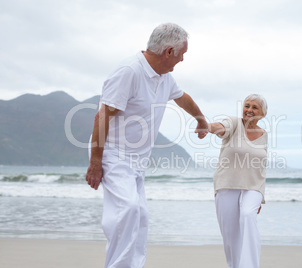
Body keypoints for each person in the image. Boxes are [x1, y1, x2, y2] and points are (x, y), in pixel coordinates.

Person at [85, 23, 208, 268]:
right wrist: (96, 163)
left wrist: (201, 119)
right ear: (169, 51)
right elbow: (102, 117)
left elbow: (182, 98)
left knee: (140, 217)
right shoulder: (129, 72)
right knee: (127, 212)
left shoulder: (164, 77)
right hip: (114, 154)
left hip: (138, 160)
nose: (182, 59)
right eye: (182, 54)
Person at [208, 94, 268, 268]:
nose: (249, 110)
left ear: (262, 113)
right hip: (227, 183)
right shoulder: (234, 123)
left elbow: (261, 167)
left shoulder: (264, 135)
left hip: (253, 187)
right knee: (230, 235)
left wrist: (260, 196)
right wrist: (207, 127)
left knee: (248, 215)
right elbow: (220, 127)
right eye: (246, 106)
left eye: (255, 107)